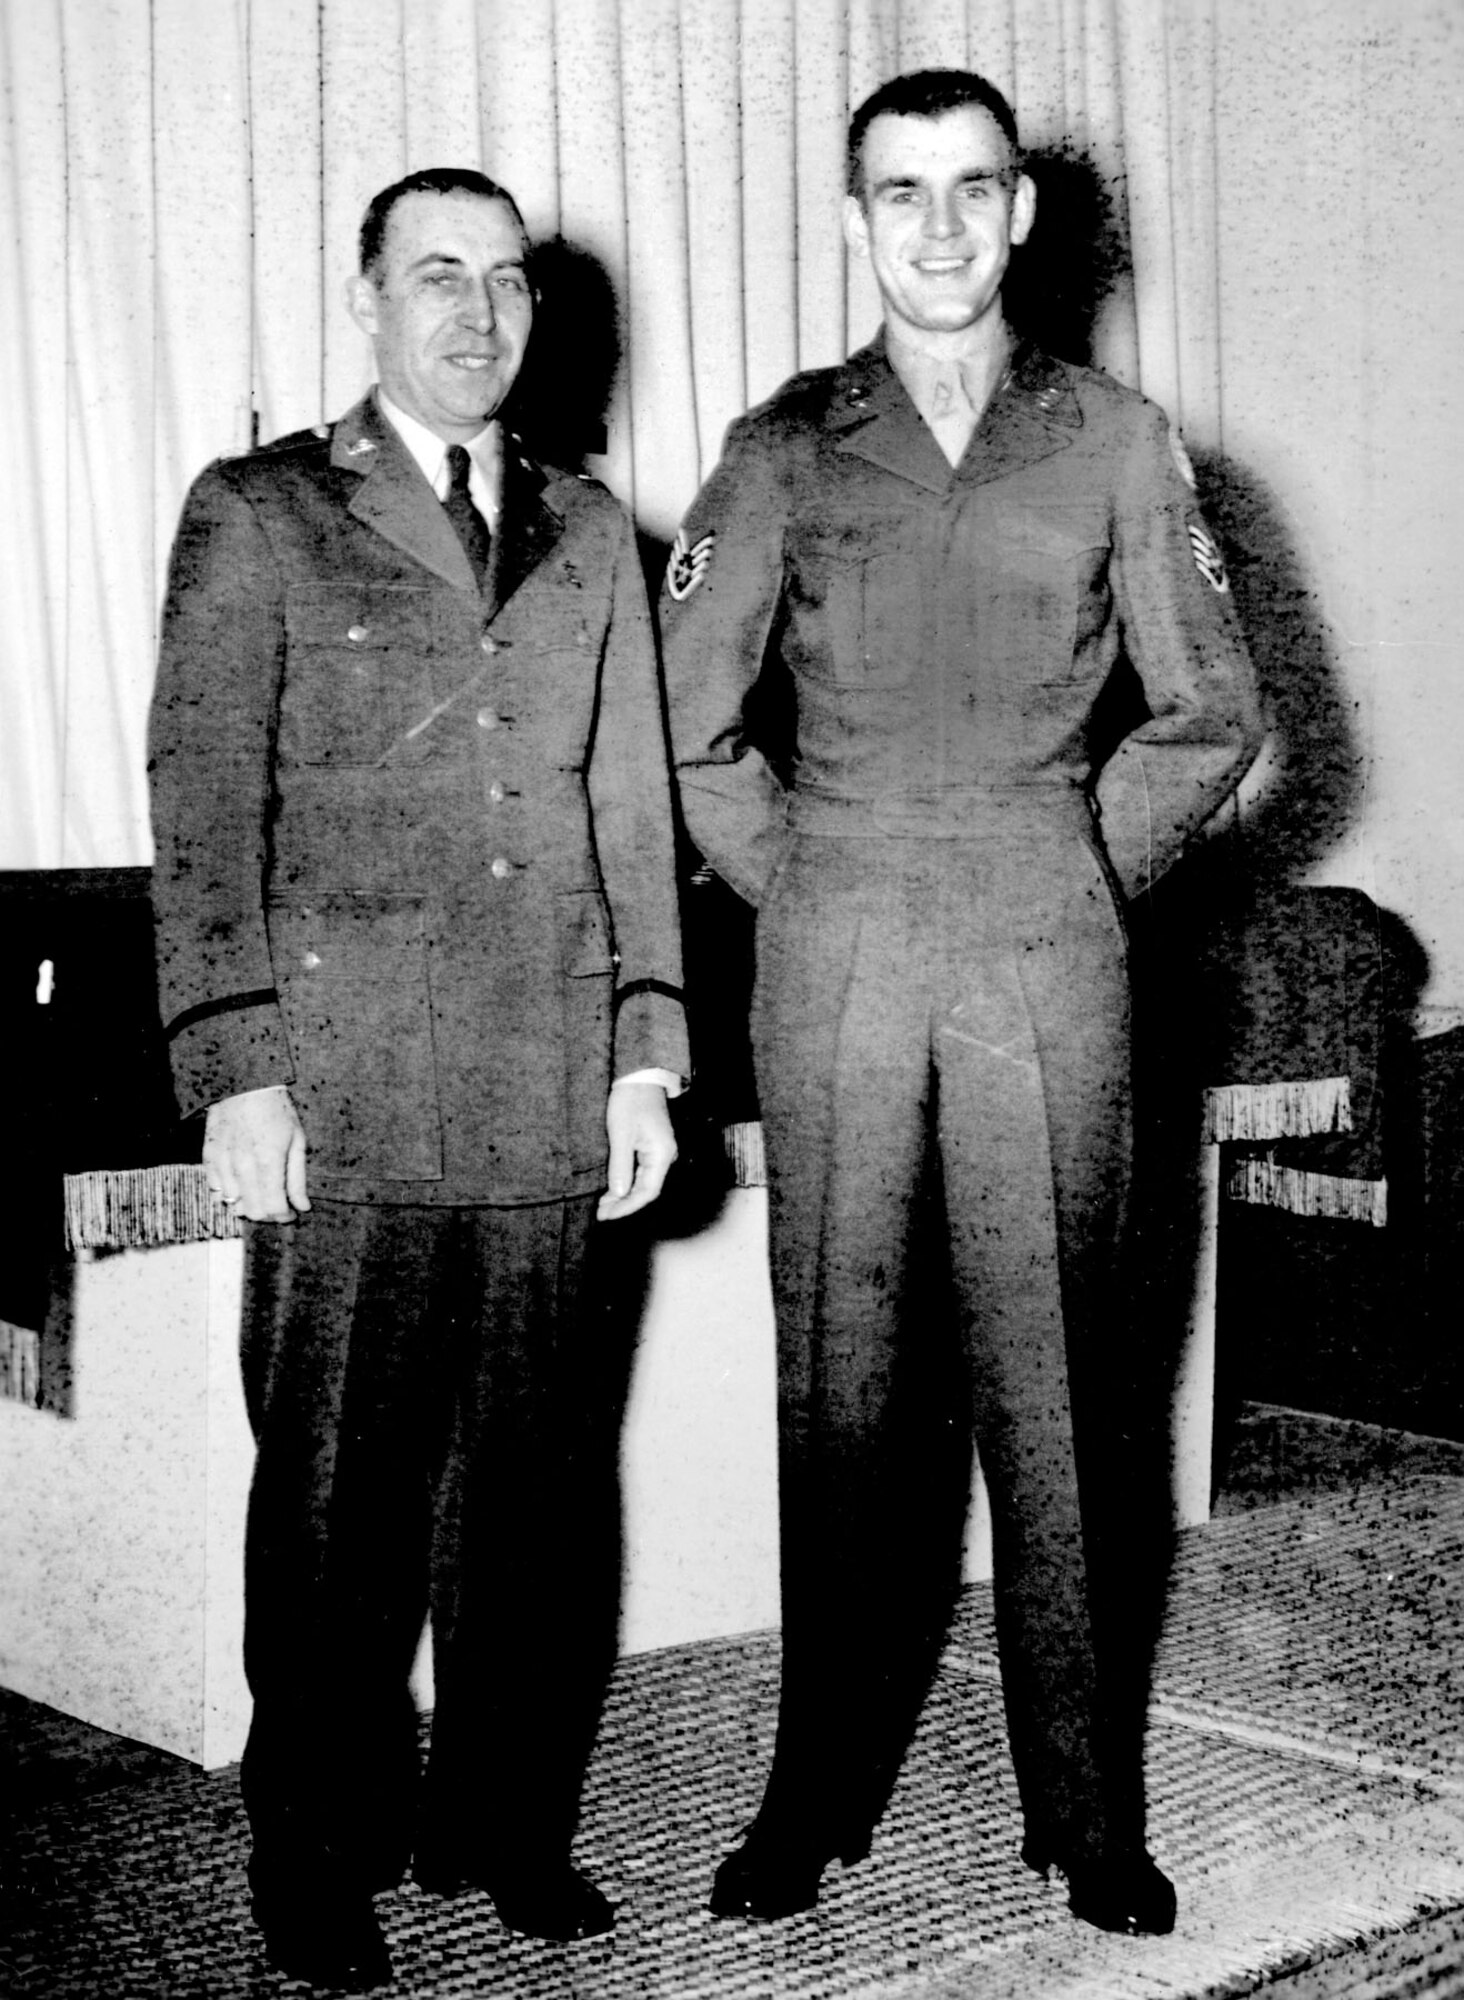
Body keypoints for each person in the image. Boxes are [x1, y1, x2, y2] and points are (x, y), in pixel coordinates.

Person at [660, 70, 1264, 1937]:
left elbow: (1214, 709)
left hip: (1042, 936)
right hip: (839, 938)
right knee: (839, 1386)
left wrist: (1079, 865)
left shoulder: (1114, 439)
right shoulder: (777, 449)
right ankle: (811, 1790)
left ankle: (1081, 1809)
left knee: (1065, 1385)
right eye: (897, 194)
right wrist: (820, 879)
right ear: (857, 221)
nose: (936, 228)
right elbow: (690, 731)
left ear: (1022, 217)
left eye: (971, 191)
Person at [148, 166, 688, 1988]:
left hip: (550, 1096)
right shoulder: (262, 512)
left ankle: (503, 1826)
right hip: (351, 1102)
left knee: (534, 1503)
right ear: (367, 299)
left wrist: (645, 1059)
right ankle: (316, 1851)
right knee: (332, 1515)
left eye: (509, 281)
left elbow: (633, 818)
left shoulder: (595, 529)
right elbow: (205, 814)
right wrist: (235, 1067)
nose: (478, 313)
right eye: (435, 277)